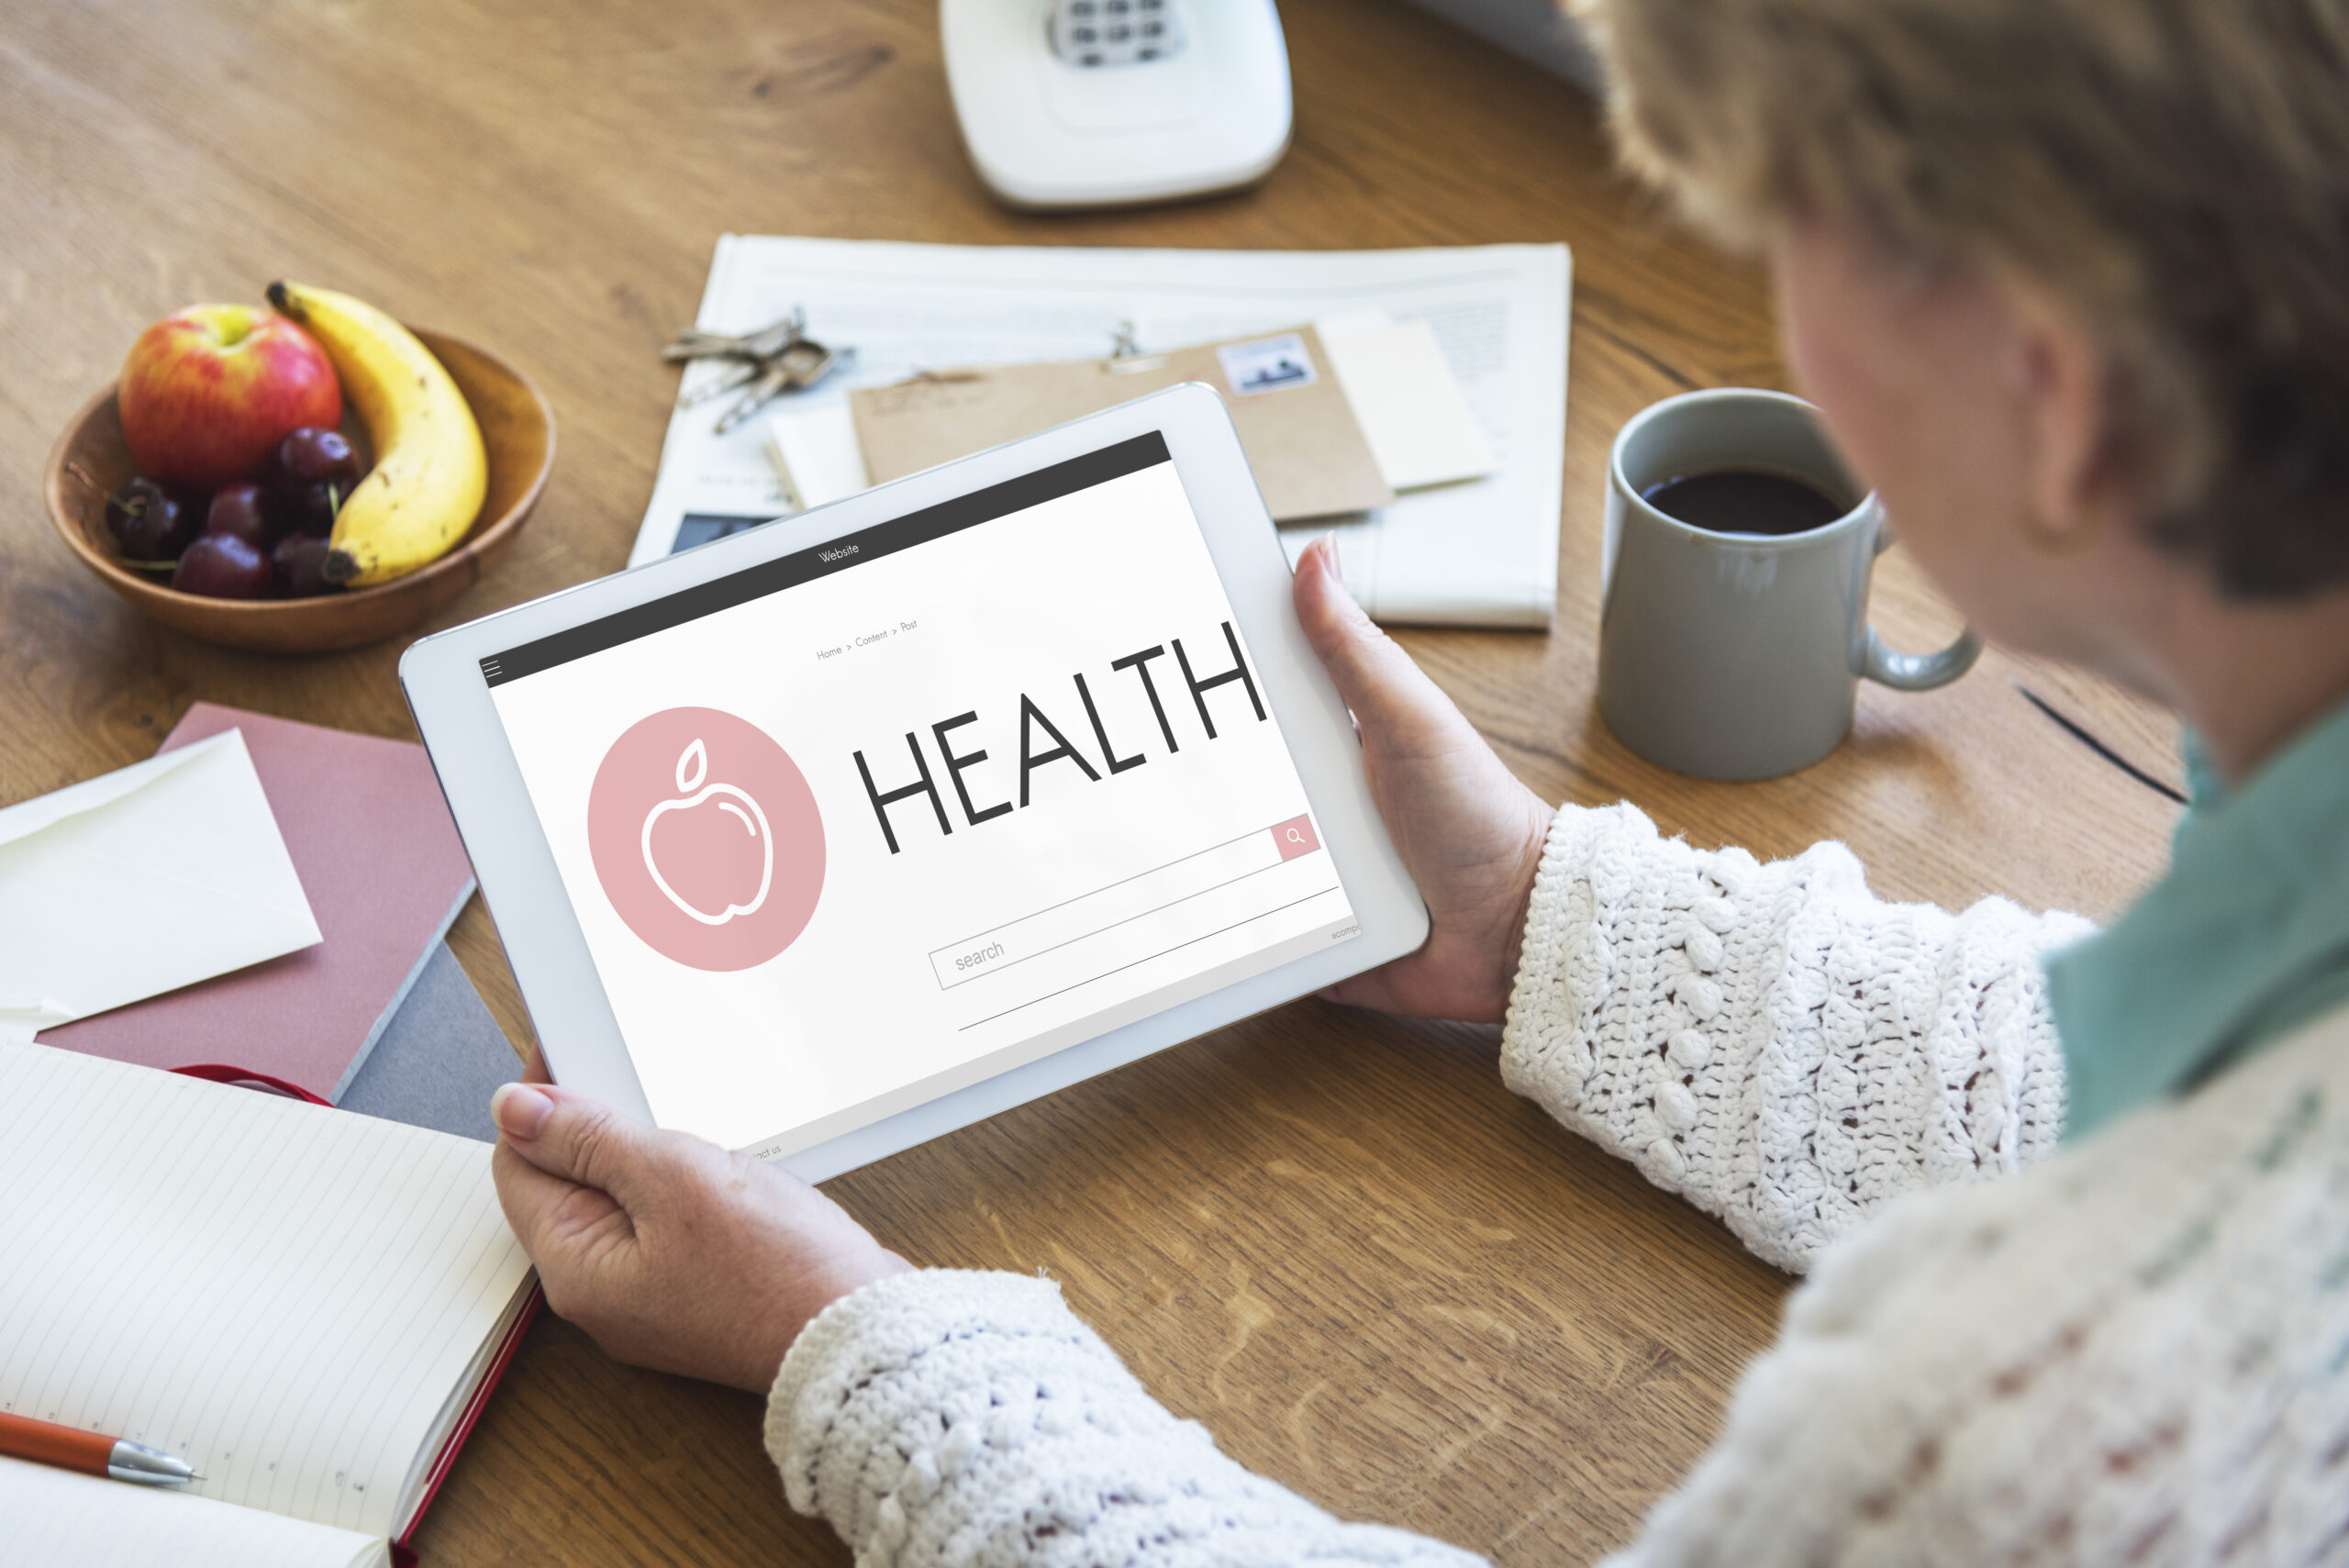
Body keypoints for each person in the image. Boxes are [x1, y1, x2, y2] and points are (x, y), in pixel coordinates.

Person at [487, 0, 2349, 1558]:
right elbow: (2164, 1098)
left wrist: (844, 1347)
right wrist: (1541, 920)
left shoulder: (2042, 1422)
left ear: (2055, 398)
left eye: (1791, 231)